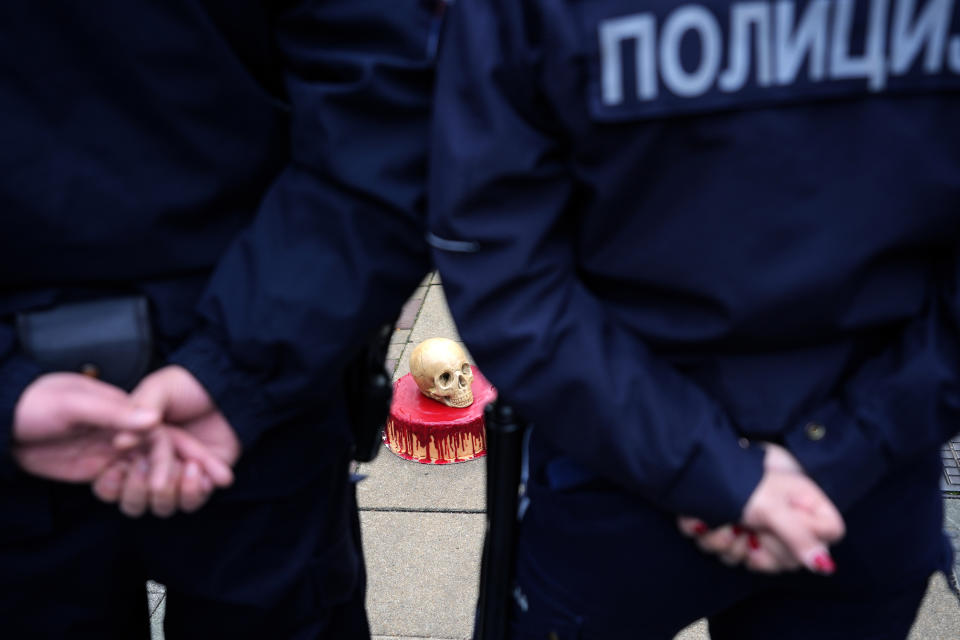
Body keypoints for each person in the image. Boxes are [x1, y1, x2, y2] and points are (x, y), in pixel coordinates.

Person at [428, 0, 960, 638]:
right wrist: (847, 447)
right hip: (857, 488)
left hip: (618, 461)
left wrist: (712, 469)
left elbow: (498, 259)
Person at [0, 1, 435, 637]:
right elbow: (389, 115)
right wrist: (241, 365)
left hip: (262, 394)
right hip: (267, 358)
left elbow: (386, 109)